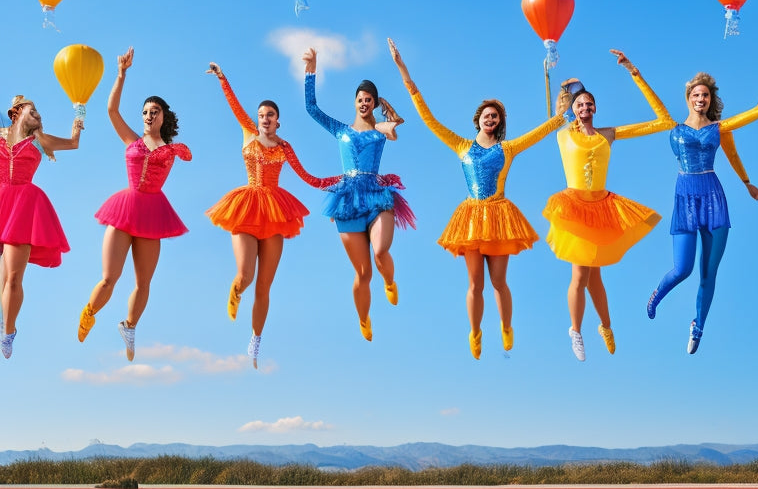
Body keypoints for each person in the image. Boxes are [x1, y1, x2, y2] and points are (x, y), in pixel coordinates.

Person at [389, 38, 569, 359]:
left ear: (499, 123)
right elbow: (429, 119)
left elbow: (538, 134)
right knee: (475, 284)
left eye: (495, 116)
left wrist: (560, 116)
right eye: (486, 115)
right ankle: (475, 331)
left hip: (499, 217)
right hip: (471, 219)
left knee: (499, 282)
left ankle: (507, 326)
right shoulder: (460, 145)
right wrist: (404, 71)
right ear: (478, 120)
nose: (491, 119)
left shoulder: (507, 148)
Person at [205, 62, 341, 368]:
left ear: (278, 121)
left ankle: (255, 340)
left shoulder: (285, 147)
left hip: (276, 212)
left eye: (270, 115)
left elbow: (308, 178)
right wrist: (223, 78)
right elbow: (234, 105)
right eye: (261, 114)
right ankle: (236, 289)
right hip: (246, 205)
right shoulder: (248, 134)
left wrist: (339, 182)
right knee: (246, 276)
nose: (265, 118)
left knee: (265, 285)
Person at [543, 50, 675, 361]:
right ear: (573, 110)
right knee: (579, 274)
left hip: (602, 206)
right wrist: (553, 75)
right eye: (580, 104)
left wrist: (634, 72)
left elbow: (664, 120)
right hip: (574, 206)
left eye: (589, 103)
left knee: (595, 276)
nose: (585, 107)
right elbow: (552, 113)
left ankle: (605, 326)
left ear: (596, 108)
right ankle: (575, 330)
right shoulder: (562, 135)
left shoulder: (608, 135)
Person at [77, 47, 191, 361]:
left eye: (154, 111)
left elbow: (187, 153)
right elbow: (111, 110)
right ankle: (90, 311)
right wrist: (121, 74)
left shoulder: (172, 148)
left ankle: (129, 326)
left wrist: (176, 149)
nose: (148, 116)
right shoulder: (132, 140)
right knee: (109, 277)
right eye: (144, 112)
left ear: (163, 116)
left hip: (153, 214)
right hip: (126, 207)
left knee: (143, 282)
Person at [646, 71, 758, 354]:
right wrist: (634, 71)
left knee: (708, 272)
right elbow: (653, 102)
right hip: (686, 198)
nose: (701, 99)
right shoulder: (673, 127)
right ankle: (656, 295)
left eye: (705, 95)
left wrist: (747, 183)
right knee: (682, 269)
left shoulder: (720, 128)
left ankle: (697, 325)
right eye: (696, 95)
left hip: (713, 198)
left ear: (710, 99)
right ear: (688, 99)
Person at [302, 46, 415, 341]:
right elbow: (312, 108)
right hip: (348, 201)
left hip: (377, 195)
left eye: (369, 100)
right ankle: (364, 318)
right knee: (363, 274)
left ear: (375, 104)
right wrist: (311, 70)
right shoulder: (340, 130)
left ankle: (390, 281)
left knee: (380, 252)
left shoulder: (380, 129)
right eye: (360, 99)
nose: (364, 103)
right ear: (354, 103)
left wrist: (393, 118)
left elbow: (395, 128)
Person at [0, 96, 83, 358]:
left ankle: (9, 330)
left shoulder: (40, 141)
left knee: (13, 278)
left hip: (23, 207)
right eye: (32, 110)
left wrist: (79, 115)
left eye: (39, 111)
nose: (38, 114)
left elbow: (73, 143)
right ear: (16, 114)